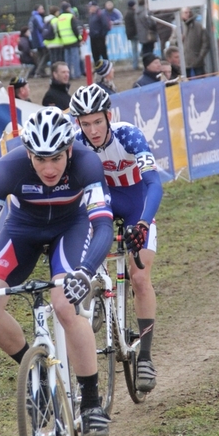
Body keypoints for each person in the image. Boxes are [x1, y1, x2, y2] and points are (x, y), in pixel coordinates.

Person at [0, 107, 114, 436]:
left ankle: (90, 403)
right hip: (23, 231)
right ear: (28, 153)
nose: (48, 168)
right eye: (40, 159)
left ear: (69, 150)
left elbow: (102, 224)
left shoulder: (86, 164)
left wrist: (85, 273)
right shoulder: (5, 171)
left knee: (64, 304)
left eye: (56, 158)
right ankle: (38, 375)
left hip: (71, 228)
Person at [69, 84, 163, 392]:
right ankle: (99, 288)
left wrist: (144, 224)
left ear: (108, 117)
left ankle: (145, 357)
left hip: (136, 202)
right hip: (105, 201)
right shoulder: (76, 145)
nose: (92, 130)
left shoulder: (128, 135)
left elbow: (154, 185)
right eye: (85, 123)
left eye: (97, 121)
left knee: (139, 277)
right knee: (90, 237)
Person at [180, 7, 210, 78]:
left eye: (189, 12)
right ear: (181, 14)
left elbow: (206, 43)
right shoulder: (178, 27)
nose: (188, 14)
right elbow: (172, 42)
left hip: (197, 61)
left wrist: (200, 57)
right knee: (186, 84)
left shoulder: (199, 27)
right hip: (184, 62)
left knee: (201, 82)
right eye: (185, 12)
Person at [56, 2, 82, 79]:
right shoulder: (71, 17)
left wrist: (62, 39)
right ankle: (77, 74)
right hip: (73, 41)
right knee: (75, 59)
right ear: (68, 8)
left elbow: (58, 31)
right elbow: (75, 29)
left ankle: (68, 75)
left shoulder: (59, 18)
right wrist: (79, 38)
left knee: (67, 61)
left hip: (65, 42)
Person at [28, 4, 49, 78]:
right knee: (46, 54)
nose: (43, 10)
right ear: (38, 10)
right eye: (42, 8)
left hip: (35, 40)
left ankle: (41, 72)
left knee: (40, 56)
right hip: (40, 40)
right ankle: (39, 70)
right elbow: (41, 28)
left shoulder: (31, 18)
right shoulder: (37, 17)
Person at [124, 0, 139, 71]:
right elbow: (136, 24)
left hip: (130, 33)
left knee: (134, 49)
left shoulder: (127, 12)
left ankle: (135, 65)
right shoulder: (132, 13)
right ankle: (135, 65)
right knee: (135, 50)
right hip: (134, 33)